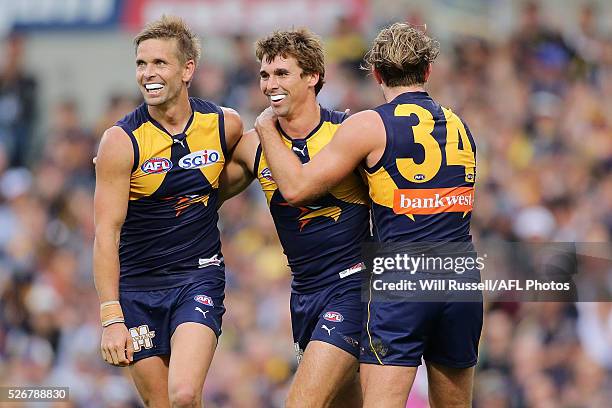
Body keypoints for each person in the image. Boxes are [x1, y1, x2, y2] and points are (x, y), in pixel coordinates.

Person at [255, 23, 482, 408]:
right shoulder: (459, 124)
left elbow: (295, 188)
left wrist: (264, 126)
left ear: (376, 73)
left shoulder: (369, 124)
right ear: (427, 72)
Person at [93, 15, 242, 408]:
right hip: (138, 290)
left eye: (159, 63)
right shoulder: (120, 141)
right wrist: (111, 318)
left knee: (184, 394)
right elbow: (105, 233)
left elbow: (245, 171)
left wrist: (209, 199)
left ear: (187, 69)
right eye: (141, 64)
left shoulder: (224, 124)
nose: (148, 73)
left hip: (198, 277)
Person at [219, 28, 368, 407]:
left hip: (353, 288)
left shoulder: (348, 132)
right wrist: (122, 173)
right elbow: (199, 193)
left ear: (312, 76)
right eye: (265, 75)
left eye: (282, 74)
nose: (270, 84)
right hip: (304, 294)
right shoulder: (254, 144)